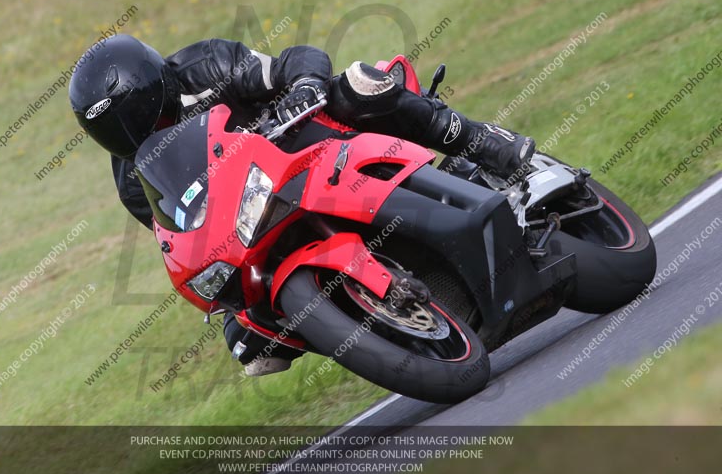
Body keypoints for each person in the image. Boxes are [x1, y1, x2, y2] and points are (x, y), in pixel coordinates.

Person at [68, 34, 535, 377]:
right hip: (253, 218)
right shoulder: (133, 180)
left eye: (131, 113)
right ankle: (367, 325)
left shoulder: (205, 65)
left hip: (309, 143)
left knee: (357, 85)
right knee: (250, 346)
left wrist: (306, 85)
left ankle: (484, 142)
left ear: (154, 85)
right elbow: (182, 237)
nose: (130, 131)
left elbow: (294, 61)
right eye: (114, 129)